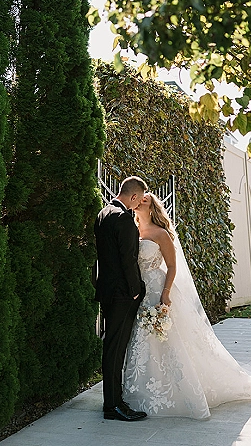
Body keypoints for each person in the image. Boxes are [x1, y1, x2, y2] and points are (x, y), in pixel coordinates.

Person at [123, 193, 251, 418]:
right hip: (139, 291)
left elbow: (171, 267)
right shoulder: (132, 231)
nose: (140, 202)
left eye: (145, 200)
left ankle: (178, 390)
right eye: (139, 199)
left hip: (158, 289)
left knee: (169, 339)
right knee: (144, 339)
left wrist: (165, 294)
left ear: (151, 207)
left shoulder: (161, 234)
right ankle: (142, 389)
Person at [94, 176, 149, 422]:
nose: (137, 208)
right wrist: (136, 289)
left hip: (106, 291)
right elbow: (128, 259)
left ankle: (113, 401)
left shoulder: (103, 214)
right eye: (138, 203)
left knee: (111, 347)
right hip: (122, 294)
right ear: (134, 196)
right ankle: (113, 406)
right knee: (116, 349)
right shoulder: (124, 219)